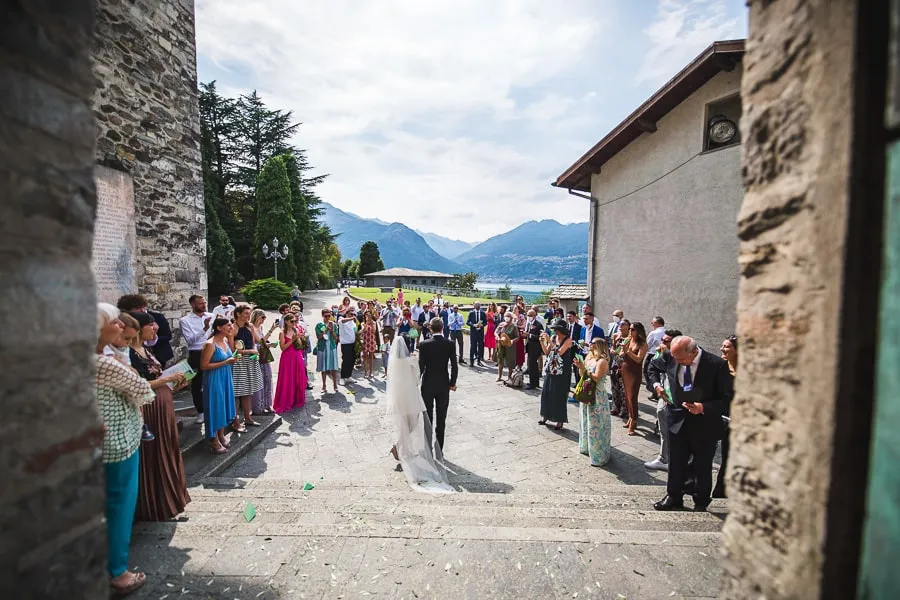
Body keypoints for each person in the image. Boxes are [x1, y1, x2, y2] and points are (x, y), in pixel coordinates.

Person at [95, 303, 155, 595]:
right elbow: (145, 392)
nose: (121, 325)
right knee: (120, 504)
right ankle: (118, 571)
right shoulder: (105, 363)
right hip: (118, 441)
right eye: (114, 322)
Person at [648, 336, 734, 512]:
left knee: (702, 464)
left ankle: (701, 500)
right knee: (676, 461)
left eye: (681, 359)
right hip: (677, 418)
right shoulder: (671, 356)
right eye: (675, 358)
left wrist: (703, 407)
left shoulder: (716, 364)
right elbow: (652, 366)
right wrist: (657, 385)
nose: (677, 362)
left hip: (704, 423)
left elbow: (726, 399)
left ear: (694, 352)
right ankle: (673, 496)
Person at [126, 311, 191, 522]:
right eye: (151, 325)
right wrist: (167, 379)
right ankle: (153, 503)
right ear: (137, 328)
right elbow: (136, 385)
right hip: (149, 408)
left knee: (167, 448)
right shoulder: (128, 355)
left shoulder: (145, 349)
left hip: (162, 403)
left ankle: (169, 499)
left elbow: (157, 376)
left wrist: (175, 381)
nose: (156, 328)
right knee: (154, 453)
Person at [386, 333, 454, 493]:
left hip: (398, 396)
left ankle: (400, 447)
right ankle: (398, 446)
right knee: (413, 423)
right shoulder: (410, 361)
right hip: (410, 395)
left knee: (404, 423)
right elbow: (417, 377)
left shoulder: (393, 361)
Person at [644, 328, 683, 472]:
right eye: (662, 340)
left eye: (666, 341)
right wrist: (657, 386)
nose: (662, 343)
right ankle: (664, 458)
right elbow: (652, 368)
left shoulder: (686, 355)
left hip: (681, 401)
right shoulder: (665, 353)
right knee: (664, 428)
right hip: (665, 397)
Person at [417, 318, 459, 452]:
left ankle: (427, 448)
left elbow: (421, 367)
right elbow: (454, 366)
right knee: (441, 418)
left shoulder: (424, 344)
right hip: (443, 384)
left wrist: (415, 381)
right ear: (442, 328)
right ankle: (439, 449)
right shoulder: (450, 344)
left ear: (430, 328)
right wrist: (452, 383)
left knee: (427, 418)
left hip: (428, 384)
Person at [201, 317, 237, 453]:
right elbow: (203, 366)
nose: (231, 327)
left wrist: (232, 359)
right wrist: (226, 362)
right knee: (215, 406)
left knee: (224, 405)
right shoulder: (210, 344)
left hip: (225, 376)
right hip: (214, 378)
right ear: (219, 328)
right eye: (228, 325)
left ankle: (221, 434)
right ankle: (213, 439)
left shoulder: (225, 340)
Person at [576, 337, 612, 467]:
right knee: (586, 421)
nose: (589, 344)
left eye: (593, 343)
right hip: (587, 392)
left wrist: (584, 370)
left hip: (597, 395)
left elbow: (596, 378)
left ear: (599, 346)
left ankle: (599, 454)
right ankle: (586, 447)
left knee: (596, 424)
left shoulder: (602, 361)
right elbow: (582, 375)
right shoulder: (588, 358)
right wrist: (580, 367)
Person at [230, 305, 264, 432]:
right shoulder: (233, 328)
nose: (248, 316)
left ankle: (248, 418)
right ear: (238, 314)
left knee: (248, 391)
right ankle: (235, 422)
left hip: (251, 361)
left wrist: (267, 342)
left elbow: (258, 340)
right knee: (237, 393)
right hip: (239, 363)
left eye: (249, 313)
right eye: (245, 313)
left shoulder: (250, 326)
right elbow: (232, 350)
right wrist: (249, 351)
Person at [180, 295, 212, 425]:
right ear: (193, 304)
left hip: (211, 349)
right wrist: (204, 329)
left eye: (204, 303)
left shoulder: (211, 316)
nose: (203, 306)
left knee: (213, 379)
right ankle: (201, 411)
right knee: (197, 383)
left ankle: (213, 408)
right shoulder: (185, 320)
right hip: (196, 352)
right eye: (200, 304)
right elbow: (190, 340)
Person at [117, 294, 174, 367]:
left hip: (159, 354)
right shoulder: (125, 323)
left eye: (143, 307)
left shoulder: (158, 317)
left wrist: (151, 340)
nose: (142, 310)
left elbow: (167, 336)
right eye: (138, 308)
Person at [538, 319, 575, 430]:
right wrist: (542, 342)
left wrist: (549, 341)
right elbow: (547, 352)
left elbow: (559, 352)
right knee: (547, 393)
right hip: (551, 369)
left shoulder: (568, 340)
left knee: (559, 395)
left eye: (556, 329)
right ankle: (545, 416)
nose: (554, 331)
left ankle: (560, 420)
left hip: (563, 371)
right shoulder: (554, 338)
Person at [714, 335, 738, 498]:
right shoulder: (720, 368)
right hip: (718, 417)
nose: (722, 349)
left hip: (737, 421)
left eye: (727, 347)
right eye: (723, 346)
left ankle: (722, 490)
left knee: (729, 455)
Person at [273, 313, 308, 413]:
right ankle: (286, 400)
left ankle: (296, 399)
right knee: (288, 379)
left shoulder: (296, 330)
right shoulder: (282, 333)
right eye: (292, 321)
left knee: (298, 378)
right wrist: (292, 340)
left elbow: (300, 345)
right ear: (286, 322)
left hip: (297, 356)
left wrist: (300, 338)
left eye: (295, 321)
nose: (294, 323)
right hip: (287, 358)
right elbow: (283, 348)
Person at [621, 321, 648, 435]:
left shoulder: (643, 344)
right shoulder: (628, 339)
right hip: (625, 369)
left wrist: (628, 351)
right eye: (630, 329)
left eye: (633, 329)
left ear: (639, 331)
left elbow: (638, 359)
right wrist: (622, 351)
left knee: (632, 397)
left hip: (634, 372)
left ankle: (634, 420)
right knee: (627, 397)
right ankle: (630, 417)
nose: (630, 331)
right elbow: (622, 353)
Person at [250, 309, 277, 414]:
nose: (264, 320)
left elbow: (263, 342)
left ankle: (268, 404)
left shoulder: (260, 327)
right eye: (263, 318)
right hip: (257, 356)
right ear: (257, 317)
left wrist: (269, 344)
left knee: (268, 379)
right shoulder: (251, 328)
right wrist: (271, 330)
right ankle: (258, 406)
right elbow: (259, 342)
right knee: (259, 381)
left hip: (264, 355)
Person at [315, 308, 340, 393]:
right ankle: (324, 385)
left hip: (331, 347)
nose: (328, 317)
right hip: (322, 348)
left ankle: (335, 384)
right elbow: (319, 337)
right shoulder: (319, 325)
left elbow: (336, 338)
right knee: (323, 367)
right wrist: (326, 330)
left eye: (329, 316)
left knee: (334, 367)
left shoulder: (334, 324)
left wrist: (332, 331)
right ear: (322, 316)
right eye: (326, 316)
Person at [644, 316, 667, 398]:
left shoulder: (653, 333)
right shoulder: (667, 332)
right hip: (665, 356)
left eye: (652, 322)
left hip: (653, 355)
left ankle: (655, 391)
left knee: (648, 373)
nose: (651, 324)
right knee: (661, 374)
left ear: (657, 323)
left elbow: (647, 345)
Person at [495, 312, 519, 383]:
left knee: (510, 361)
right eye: (505, 316)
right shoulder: (501, 324)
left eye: (508, 316)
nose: (506, 318)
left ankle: (509, 377)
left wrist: (512, 340)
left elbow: (517, 337)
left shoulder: (514, 326)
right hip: (501, 344)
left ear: (511, 318)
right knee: (500, 360)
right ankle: (499, 376)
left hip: (509, 346)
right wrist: (497, 337)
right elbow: (496, 332)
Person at [524, 309, 544, 390]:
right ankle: (534, 382)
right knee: (532, 366)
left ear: (534, 316)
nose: (529, 317)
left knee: (532, 365)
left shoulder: (538, 325)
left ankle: (533, 383)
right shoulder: (529, 324)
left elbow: (540, 337)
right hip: (530, 346)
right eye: (528, 315)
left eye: (530, 315)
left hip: (535, 348)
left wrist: (529, 335)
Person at [467, 302, 487, 366]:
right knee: (473, 346)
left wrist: (482, 325)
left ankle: (479, 360)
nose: (478, 306)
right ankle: (471, 361)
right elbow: (467, 322)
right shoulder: (471, 313)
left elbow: (485, 322)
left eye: (479, 305)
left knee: (480, 347)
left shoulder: (483, 313)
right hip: (473, 333)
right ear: (474, 306)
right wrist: (473, 325)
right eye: (476, 305)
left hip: (480, 332)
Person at [361, 311, 378, 378]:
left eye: (369, 315)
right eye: (367, 315)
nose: (368, 317)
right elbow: (363, 330)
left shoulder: (374, 323)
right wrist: (367, 323)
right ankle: (366, 372)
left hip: (371, 341)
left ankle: (371, 371)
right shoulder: (363, 323)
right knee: (365, 357)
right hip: (365, 341)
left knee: (371, 357)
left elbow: (374, 331)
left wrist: (371, 323)